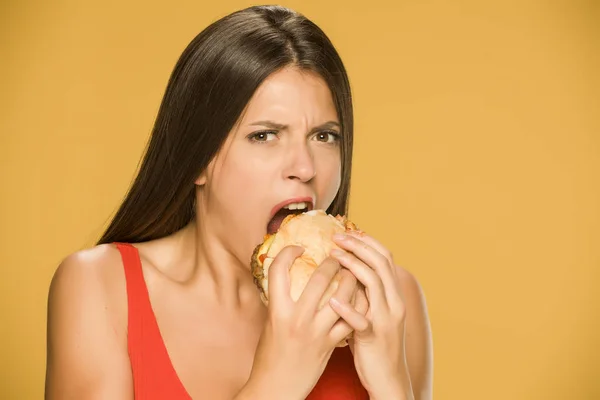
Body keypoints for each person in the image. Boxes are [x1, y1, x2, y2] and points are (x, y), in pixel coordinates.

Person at [44, 5, 433, 400]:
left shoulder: (388, 297)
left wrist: (390, 384)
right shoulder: (101, 288)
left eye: (324, 136)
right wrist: (278, 380)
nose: (304, 167)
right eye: (264, 135)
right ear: (196, 159)